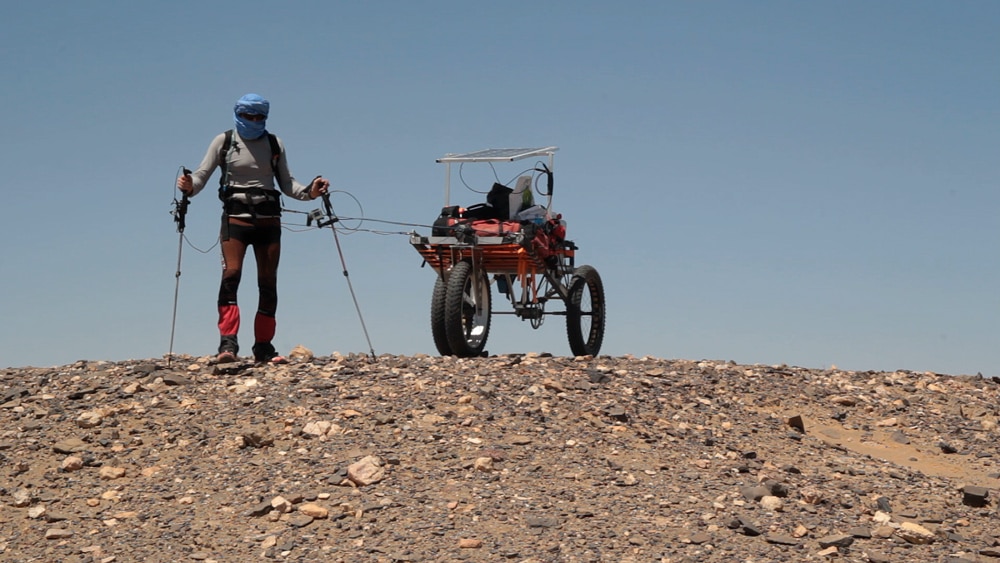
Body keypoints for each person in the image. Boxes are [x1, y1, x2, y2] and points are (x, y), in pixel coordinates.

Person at [177, 93, 330, 364]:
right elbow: (200, 177)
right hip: (235, 221)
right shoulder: (223, 142)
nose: (255, 121)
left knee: (268, 281)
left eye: (260, 117)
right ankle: (228, 344)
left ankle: (264, 347)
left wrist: (311, 192)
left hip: (269, 222)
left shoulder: (274, 144)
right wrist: (189, 186)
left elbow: (288, 184)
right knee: (231, 275)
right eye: (249, 116)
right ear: (239, 115)